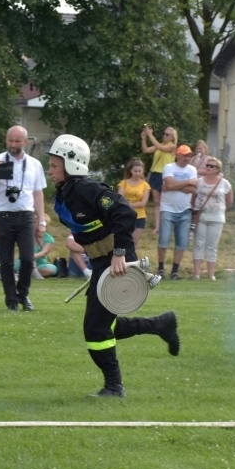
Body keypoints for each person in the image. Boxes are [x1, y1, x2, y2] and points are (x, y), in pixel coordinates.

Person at [48, 134, 180, 398]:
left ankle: (114, 386)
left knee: (96, 329)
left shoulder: (87, 189)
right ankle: (161, 324)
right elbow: (94, 226)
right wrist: (83, 244)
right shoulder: (66, 192)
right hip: (102, 262)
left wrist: (119, 254)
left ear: (71, 164)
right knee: (102, 325)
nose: (49, 169)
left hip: (116, 262)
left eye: (53, 165)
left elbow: (124, 213)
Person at [0, 125, 47, 311]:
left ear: (25, 142)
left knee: (27, 259)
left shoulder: (34, 164)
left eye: (17, 141)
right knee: (6, 260)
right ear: (6, 140)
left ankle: (23, 294)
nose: (13, 144)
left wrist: (41, 221)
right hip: (3, 216)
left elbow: (38, 193)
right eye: (10, 140)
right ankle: (11, 300)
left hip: (25, 216)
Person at [158, 145, 197, 280]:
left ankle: (175, 271)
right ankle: (161, 268)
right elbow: (169, 184)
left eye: (189, 156)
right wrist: (187, 182)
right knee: (164, 240)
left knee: (181, 243)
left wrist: (174, 186)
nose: (187, 158)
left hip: (185, 210)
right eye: (185, 155)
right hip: (167, 209)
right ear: (178, 155)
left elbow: (192, 189)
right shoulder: (169, 167)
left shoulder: (192, 169)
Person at [192, 158, 234, 281]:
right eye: (208, 165)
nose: (209, 167)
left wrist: (218, 208)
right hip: (202, 216)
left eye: (212, 166)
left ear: (218, 169)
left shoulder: (224, 183)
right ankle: (196, 273)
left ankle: (211, 274)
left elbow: (229, 201)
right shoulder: (199, 181)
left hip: (217, 218)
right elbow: (194, 197)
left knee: (212, 245)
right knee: (199, 243)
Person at [141, 125, 177, 234]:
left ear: (172, 137)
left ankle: (167, 225)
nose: (164, 136)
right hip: (156, 173)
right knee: (157, 202)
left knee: (166, 202)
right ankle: (157, 226)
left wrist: (150, 134)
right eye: (164, 134)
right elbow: (146, 150)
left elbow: (159, 147)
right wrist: (144, 138)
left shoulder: (172, 146)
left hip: (166, 175)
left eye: (167, 134)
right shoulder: (159, 145)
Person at [117, 157, 151, 253]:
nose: (137, 173)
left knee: (134, 242)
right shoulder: (123, 184)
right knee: (123, 241)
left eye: (139, 171)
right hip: (125, 215)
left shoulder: (145, 185)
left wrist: (128, 205)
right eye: (135, 171)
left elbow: (143, 203)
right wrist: (128, 205)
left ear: (143, 171)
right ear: (131, 171)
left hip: (139, 216)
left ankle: (131, 262)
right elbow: (120, 199)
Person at [16, 214, 58, 279]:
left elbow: (44, 252)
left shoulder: (49, 238)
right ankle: (32, 273)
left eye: (39, 223)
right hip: (24, 262)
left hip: (40, 265)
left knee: (52, 269)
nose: (37, 224)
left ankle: (27, 274)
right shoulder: (27, 236)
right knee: (28, 259)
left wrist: (32, 257)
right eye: (35, 222)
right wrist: (29, 258)